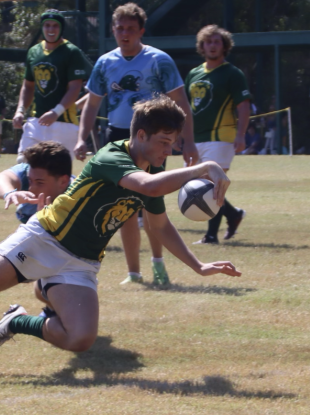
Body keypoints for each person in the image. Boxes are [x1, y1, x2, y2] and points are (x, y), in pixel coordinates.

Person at [0, 95, 240, 356]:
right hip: (43, 239)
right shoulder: (112, 156)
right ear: (139, 135)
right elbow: (147, 187)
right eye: (163, 142)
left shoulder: (155, 167)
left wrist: (197, 266)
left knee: (81, 340)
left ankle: (17, 322)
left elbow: (159, 225)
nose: (167, 151)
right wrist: (205, 166)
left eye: (172, 144)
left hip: (81, 263)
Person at [73, 3, 199, 286]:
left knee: (151, 205)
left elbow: (181, 103)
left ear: (141, 30)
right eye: (120, 28)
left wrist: (188, 142)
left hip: (153, 140)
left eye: (131, 28)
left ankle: (158, 264)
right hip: (118, 136)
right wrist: (82, 137)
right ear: (113, 31)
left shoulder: (159, 60)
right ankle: (133, 273)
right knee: (122, 206)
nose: (124, 33)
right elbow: (92, 104)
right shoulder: (105, 62)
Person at [185, 24, 250, 244]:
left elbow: (243, 105)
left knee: (211, 184)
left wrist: (241, 135)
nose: (212, 45)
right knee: (200, 185)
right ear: (202, 46)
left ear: (224, 46)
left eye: (217, 41)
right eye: (208, 41)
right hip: (196, 138)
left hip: (221, 137)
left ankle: (211, 235)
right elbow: (185, 108)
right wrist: (181, 137)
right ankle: (233, 214)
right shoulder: (194, 73)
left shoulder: (232, 73)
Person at [12, 9, 92, 163]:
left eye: (55, 26)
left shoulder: (71, 52)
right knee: (23, 163)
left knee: (57, 175)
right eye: (47, 25)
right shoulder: (34, 52)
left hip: (64, 123)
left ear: (61, 28)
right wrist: (20, 110)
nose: (50, 29)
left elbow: (75, 88)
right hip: (36, 120)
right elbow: (28, 86)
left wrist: (56, 112)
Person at [0, 141, 73, 224]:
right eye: (30, 181)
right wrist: (10, 193)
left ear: (63, 181)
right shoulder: (29, 171)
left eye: (40, 183)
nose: (31, 189)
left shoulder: (78, 198)